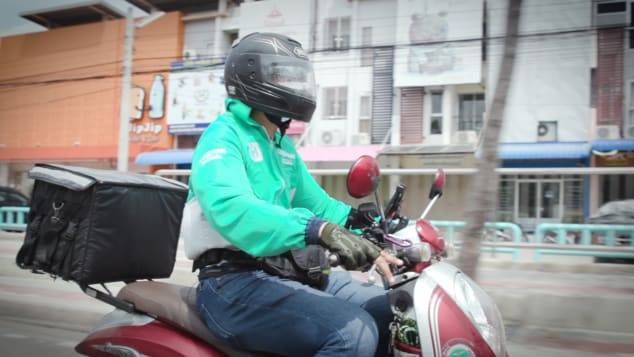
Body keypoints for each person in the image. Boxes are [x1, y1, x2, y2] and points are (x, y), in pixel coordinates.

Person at [181, 32, 402, 356]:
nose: (295, 86)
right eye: (282, 76)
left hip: (285, 270)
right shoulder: (222, 136)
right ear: (250, 78)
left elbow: (319, 205)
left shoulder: (282, 146)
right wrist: (316, 230)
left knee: (389, 310)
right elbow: (231, 207)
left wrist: (361, 223)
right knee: (352, 334)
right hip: (230, 282)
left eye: (298, 78)